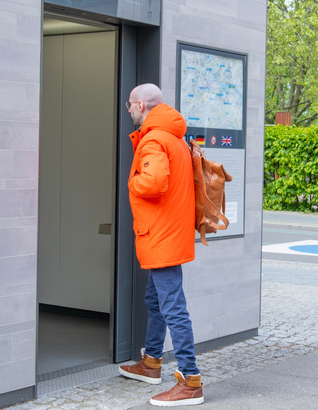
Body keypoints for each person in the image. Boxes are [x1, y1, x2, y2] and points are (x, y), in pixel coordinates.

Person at [118, 83, 204, 407]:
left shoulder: (153, 139)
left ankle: (190, 380)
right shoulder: (174, 136)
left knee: (172, 307)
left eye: (129, 104)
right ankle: (152, 361)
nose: (128, 110)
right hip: (170, 231)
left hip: (161, 235)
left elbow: (153, 183)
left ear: (141, 105)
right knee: (155, 298)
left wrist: (132, 181)